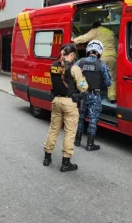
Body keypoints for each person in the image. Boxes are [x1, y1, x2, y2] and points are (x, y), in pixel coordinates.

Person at [43, 43, 88, 172]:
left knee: (53, 130)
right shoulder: (74, 68)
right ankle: (66, 163)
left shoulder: (53, 67)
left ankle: (47, 157)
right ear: (72, 55)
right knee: (69, 132)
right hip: (70, 103)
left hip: (56, 101)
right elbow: (83, 87)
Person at [74, 40, 112, 151]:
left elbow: (73, 76)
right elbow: (109, 82)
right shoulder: (102, 64)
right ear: (100, 51)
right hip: (95, 96)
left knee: (80, 117)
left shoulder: (80, 62)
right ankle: (90, 145)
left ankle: (77, 140)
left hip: (82, 95)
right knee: (92, 119)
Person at [72, 21, 117, 103]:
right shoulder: (110, 32)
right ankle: (112, 97)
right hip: (112, 57)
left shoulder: (95, 30)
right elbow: (116, 44)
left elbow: (85, 37)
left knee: (97, 76)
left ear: (94, 27)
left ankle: (97, 95)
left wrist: (74, 40)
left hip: (102, 56)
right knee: (112, 77)